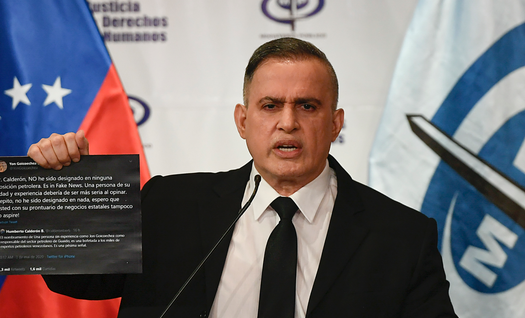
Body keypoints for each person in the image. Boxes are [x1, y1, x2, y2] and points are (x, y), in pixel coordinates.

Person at [28, 38, 457, 318]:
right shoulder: (167, 203)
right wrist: (57, 189)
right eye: (271, 106)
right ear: (243, 120)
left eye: (307, 106)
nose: (288, 123)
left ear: (335, 123)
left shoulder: (402, 236)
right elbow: (78, 281)